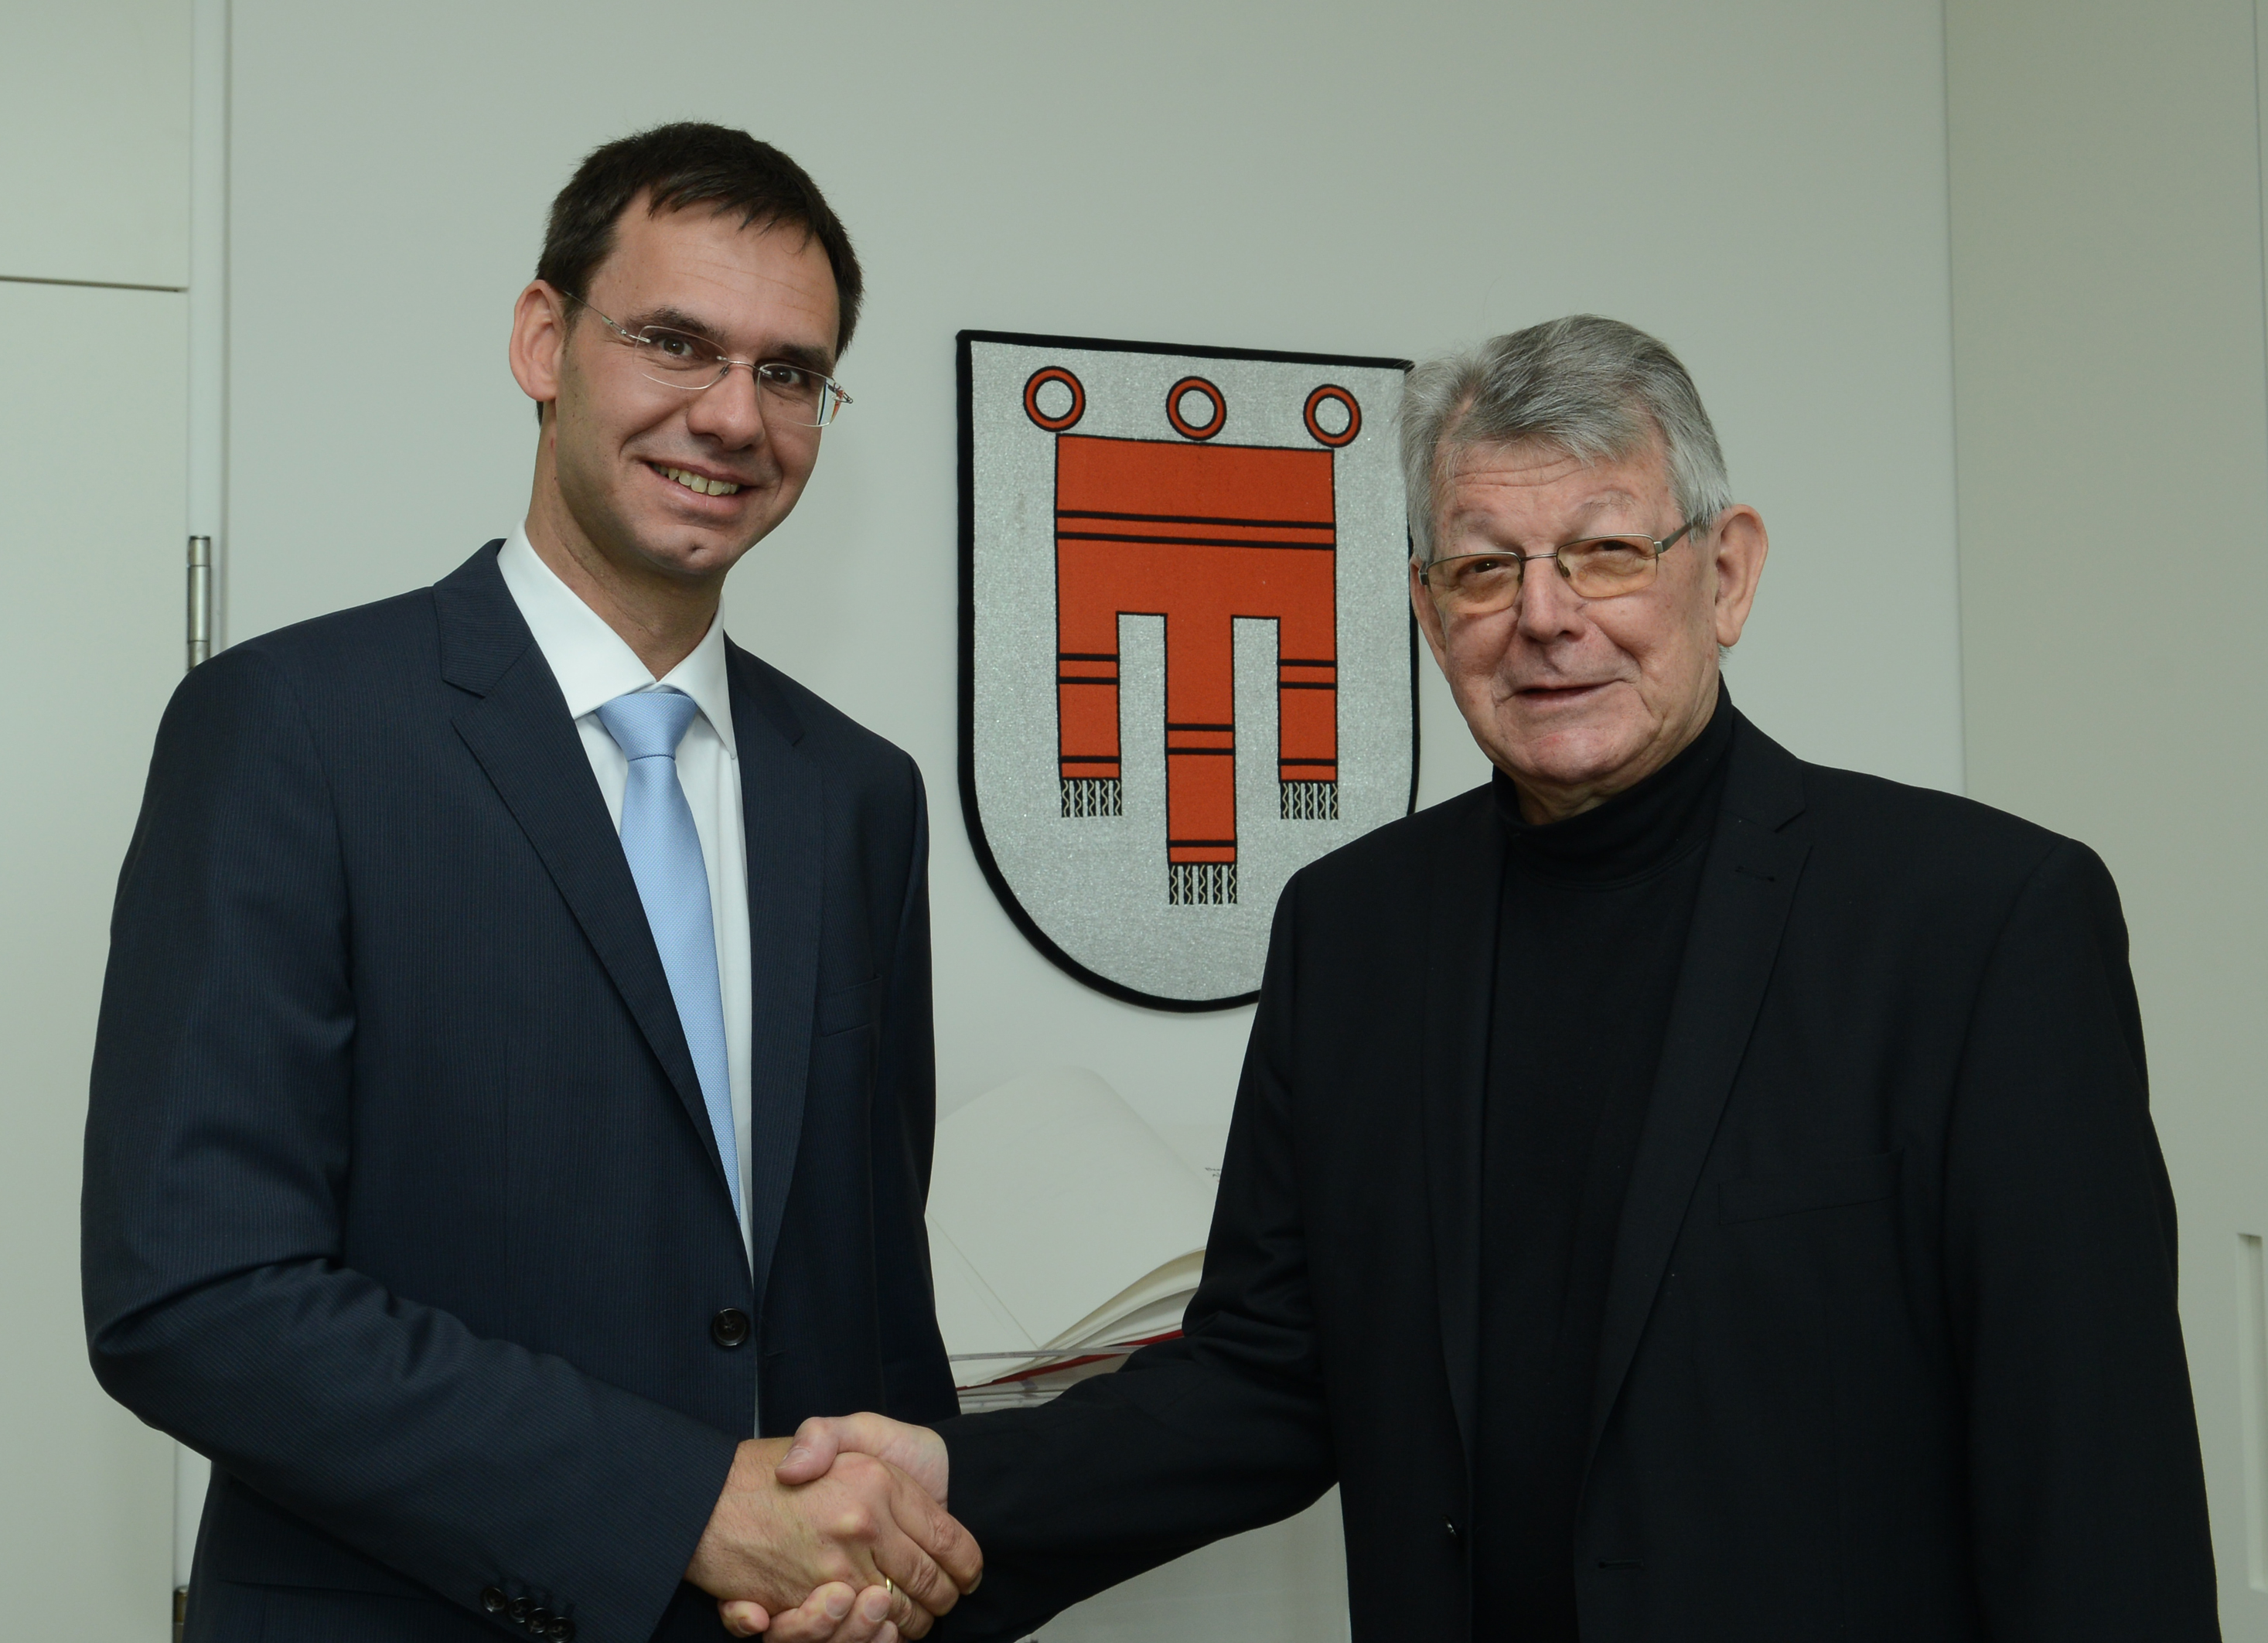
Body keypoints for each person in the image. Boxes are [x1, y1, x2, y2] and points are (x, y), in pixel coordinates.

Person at [749, 316, 2221, 1641]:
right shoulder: (1355, 931)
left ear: (1729, 572)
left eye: (1607, 551)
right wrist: (944, 1479)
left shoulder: (1980, 922)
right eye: (1483, 567)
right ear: (1423, 604)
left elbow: (2095, 1483)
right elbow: (1268, 1376)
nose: (1546, 615)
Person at [81, 122, 980, 1643]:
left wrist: (872, 1551)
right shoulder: (293, 728)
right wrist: (680, 1502)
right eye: (677, 342)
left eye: (787, 371)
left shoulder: (857, 796)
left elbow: (865, 1298)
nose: (731, 413)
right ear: (543, 340)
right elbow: (196, 1294)